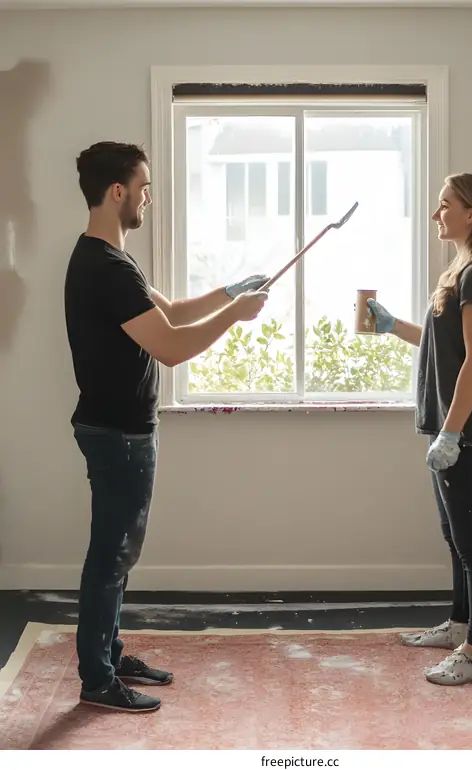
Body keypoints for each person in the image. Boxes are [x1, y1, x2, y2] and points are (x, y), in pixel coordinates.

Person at [64, 141, 269, 712]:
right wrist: (234, 315)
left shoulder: (111, 260)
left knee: (118, 554)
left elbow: (172, 313)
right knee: (110, 556)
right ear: (118, 191)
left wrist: (229, 290)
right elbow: (173, 347)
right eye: (145, 186)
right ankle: (98, 679)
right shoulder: (105, 268)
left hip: (121, 431)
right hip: (117, 436)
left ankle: (107, 653)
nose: (149, 197)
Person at [368, 172, 472, 686]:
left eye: (444, 205)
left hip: (469, 432)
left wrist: (452, 433)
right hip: (452, 429)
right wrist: (395, 327)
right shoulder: (461, 270)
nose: (437, 214)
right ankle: (460, 625)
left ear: (471, 213)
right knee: (454, 536)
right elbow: (446, 349)